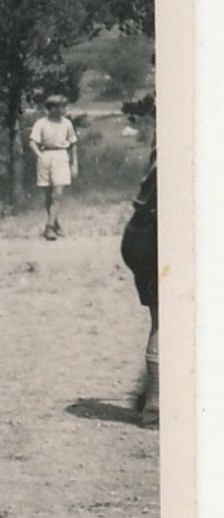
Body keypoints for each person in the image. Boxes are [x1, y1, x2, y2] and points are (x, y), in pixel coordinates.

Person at [120, 145, 158, 428]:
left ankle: (149, 396)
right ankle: (154, 409)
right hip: (156, 235)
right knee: (166, 321)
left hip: (141, 233)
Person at [28, 95, 79, 241]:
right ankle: (55, 224)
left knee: (58, 193)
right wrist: (40, 155)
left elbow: (73, 144)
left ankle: (49, 227)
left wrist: (74, 164)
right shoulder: (41, 123)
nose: (63, 109)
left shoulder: (67, 123)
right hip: (46, 156)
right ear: (51, 108)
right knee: (48, 195)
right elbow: (32, 142)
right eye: (60, 106)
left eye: (64, 106)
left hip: (61, 156)